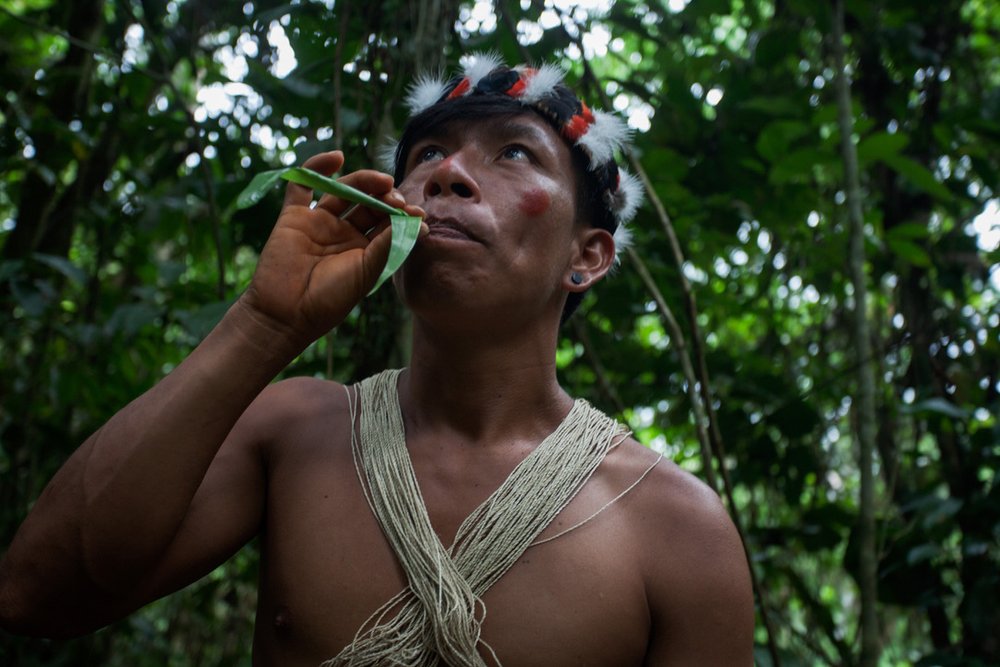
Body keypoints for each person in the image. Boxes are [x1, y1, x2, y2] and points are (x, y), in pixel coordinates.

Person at [0, 54, 754, 665]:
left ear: (588, 256)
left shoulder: (676, 529)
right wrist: (264, 323)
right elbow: (38, 595)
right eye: (428, 155)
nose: (447, 175)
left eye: (514, 154)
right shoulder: (295, 430)